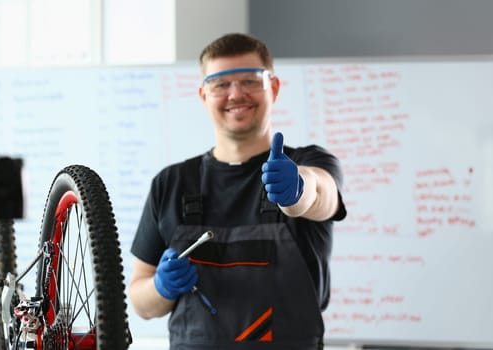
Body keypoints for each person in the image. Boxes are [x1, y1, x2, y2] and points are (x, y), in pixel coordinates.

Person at [129, 32, 347, 350]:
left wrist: (298, 192)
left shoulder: (308, 163)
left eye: (250, 81)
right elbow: (141, 302)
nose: (236, 94)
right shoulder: (172, 183)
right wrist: (161, 287)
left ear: (272, 87)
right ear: (204, 95)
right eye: (221, 84)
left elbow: (321, 194)